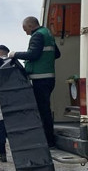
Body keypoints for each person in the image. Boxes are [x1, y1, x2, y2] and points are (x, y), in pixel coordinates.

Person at [9, 16, 61, 147]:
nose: (26, 33)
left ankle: (48, 140)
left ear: (31, 26)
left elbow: (33, 55)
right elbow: (57, 54)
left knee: (42, 111)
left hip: (40, 79)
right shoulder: (48, 34)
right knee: (45, 109)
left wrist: (14, 54)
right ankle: (49, 139)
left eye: (25, 29)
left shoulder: (37, 35)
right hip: (49, 78)